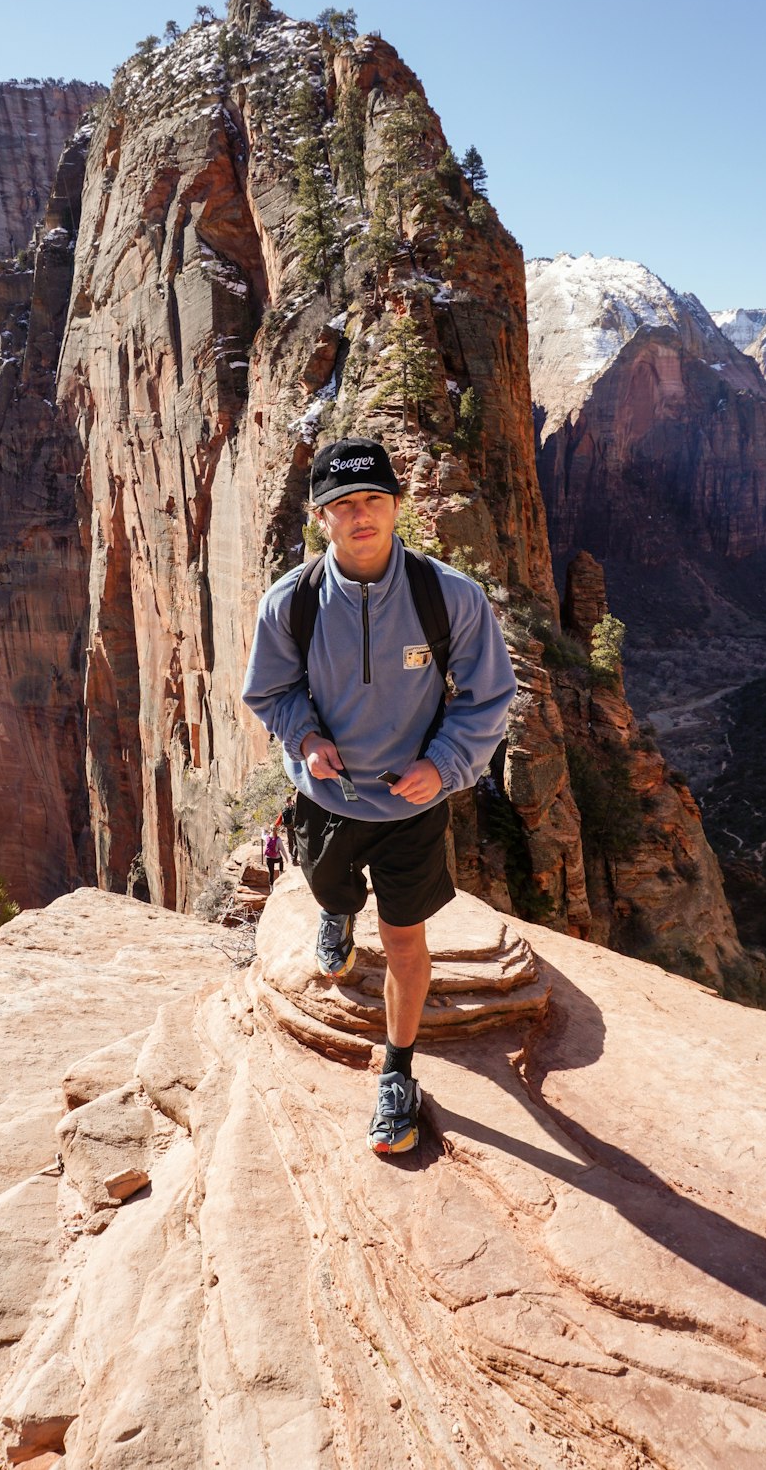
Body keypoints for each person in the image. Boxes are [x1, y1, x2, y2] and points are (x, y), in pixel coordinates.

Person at [242, 437, 517, 1156]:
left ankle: (397, 1071)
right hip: (328, 802)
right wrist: (304, 738)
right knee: (331, 887)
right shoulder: (292, 603)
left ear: (396, 505)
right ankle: (336, 912)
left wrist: (448, 764)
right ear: (321, 518)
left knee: (404, 940)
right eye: (342, 505)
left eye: (373, 500)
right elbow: (269, 690)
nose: (360, 516)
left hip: (411, 809)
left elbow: (489, 696)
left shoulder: (448, 597)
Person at [261, 823, 285, 891]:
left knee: (271, 873)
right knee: (281, 861)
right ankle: (281, 872)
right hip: (276, 858)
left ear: (270, 830)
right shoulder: (278, 839)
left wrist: (263, 831)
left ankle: (271, 886)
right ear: (276, 830)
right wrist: (286, 858)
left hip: (268, 858)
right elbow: (282, 849)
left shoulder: (266, 837)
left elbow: (262, 835)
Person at [280, 793, 298, 862]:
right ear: (290, 800)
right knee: (296, 843)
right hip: (295, 828)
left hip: (288, 828)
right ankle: (294, 858)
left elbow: (282, 819)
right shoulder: (294, 808)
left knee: (290, 842)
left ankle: (291, 856)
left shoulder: (284, 809)